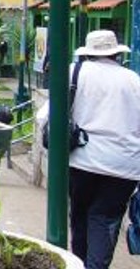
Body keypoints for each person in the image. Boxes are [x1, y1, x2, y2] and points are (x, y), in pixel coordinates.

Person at [67, 30, 140, 268]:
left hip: (82, 161)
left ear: (88, 53)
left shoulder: (75, 73)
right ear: (116, 54)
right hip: (124, 166)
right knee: (105, 218)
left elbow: (47, 116)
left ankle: (79, 263)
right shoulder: (133, 80)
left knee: (79, 217)